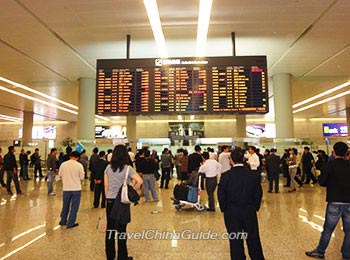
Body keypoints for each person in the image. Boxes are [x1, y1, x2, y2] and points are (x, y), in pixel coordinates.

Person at [218, 147, 264, 260]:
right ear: (243, 159)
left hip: (232, 212)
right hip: (249, 211)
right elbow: (258, 193)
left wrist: (225, 209)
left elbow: (221, 194)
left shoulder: (226, 176)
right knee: (253, 238)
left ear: (231, 160)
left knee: (235, 240)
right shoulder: (252, 175)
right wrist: (254, 207)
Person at [306, 142, 350, 259]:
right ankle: (346, 254)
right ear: (346, 152)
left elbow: (322, 182)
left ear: (333, 152)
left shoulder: (329, 165)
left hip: (334, 202)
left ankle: (320, 252)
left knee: (328, 230)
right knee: (349, 231)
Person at [104, 144, 143, 260]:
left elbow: (106, 185)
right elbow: (139, 181)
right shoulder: (128, 169)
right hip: (122, 202)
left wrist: (108, 198)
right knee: (122, 230)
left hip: (111, 201)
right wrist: (131, 189)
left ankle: (110, 256)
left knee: (110, 229)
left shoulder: (108, 168)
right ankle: (122, 256)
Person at [59, 151, 84, 229]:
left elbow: (60, 175)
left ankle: (63, 221)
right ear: (77, 157)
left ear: (70, 156)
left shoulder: (63, 164)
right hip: (76, 188)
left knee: (65, 205)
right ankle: (70, 223)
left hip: (66, 188)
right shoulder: (79, 165)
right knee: (74, 207)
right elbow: (82, 177)